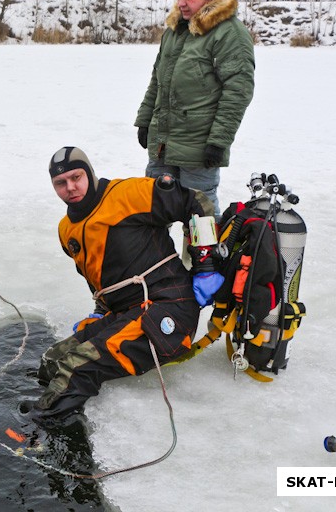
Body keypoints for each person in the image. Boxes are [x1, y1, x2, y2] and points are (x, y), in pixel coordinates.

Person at [21, 146, 215, 422]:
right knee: (52, 360)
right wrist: (102, 311)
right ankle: (48, 402)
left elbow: (195, 202)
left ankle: (34, 427)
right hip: (126, 311)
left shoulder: (128, 194)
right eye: (60, 183)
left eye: (77, 177)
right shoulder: (67, 230)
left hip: (168, 308)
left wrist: (205, 264)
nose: (71, 187)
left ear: (89, 172)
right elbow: (96, 274)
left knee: (78, 367)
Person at [134, 0, 255, 216]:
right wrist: (145, 120)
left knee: (200, 218)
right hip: (163, 144)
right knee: (154, 212)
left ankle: (204, 258)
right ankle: (157, 258)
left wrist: (219, 141)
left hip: (199, 147)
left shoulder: (228, 33)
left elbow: (238, 90)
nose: (181, 3)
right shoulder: (174, 32)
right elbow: (158, 80)